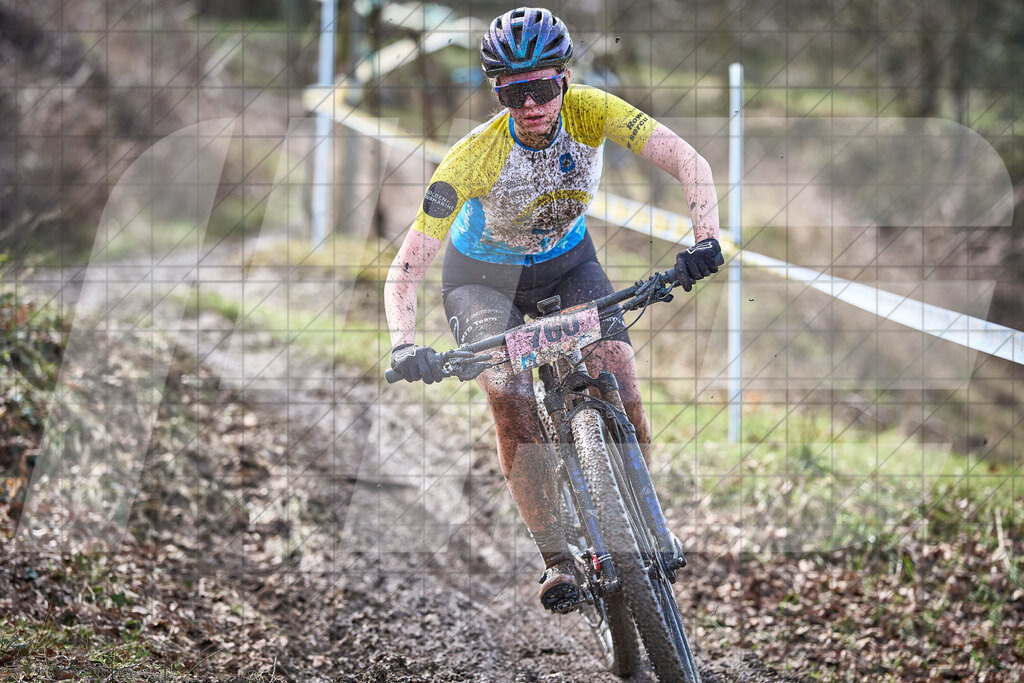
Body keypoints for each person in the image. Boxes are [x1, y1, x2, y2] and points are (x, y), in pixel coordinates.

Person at [384, 6, 722, 612]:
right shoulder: (472, 157)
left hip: (568, 265)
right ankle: (556, 558)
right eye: (513, 93)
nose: (531, 105)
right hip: (483, 282)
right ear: (499, 94)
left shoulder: (592, 111)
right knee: (508, 397)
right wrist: (404, 343)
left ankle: (647, 517)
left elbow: (689, 164)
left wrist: (705, 238)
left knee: (618, 372)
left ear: (564, 79)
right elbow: (407, 265)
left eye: (541, 87)